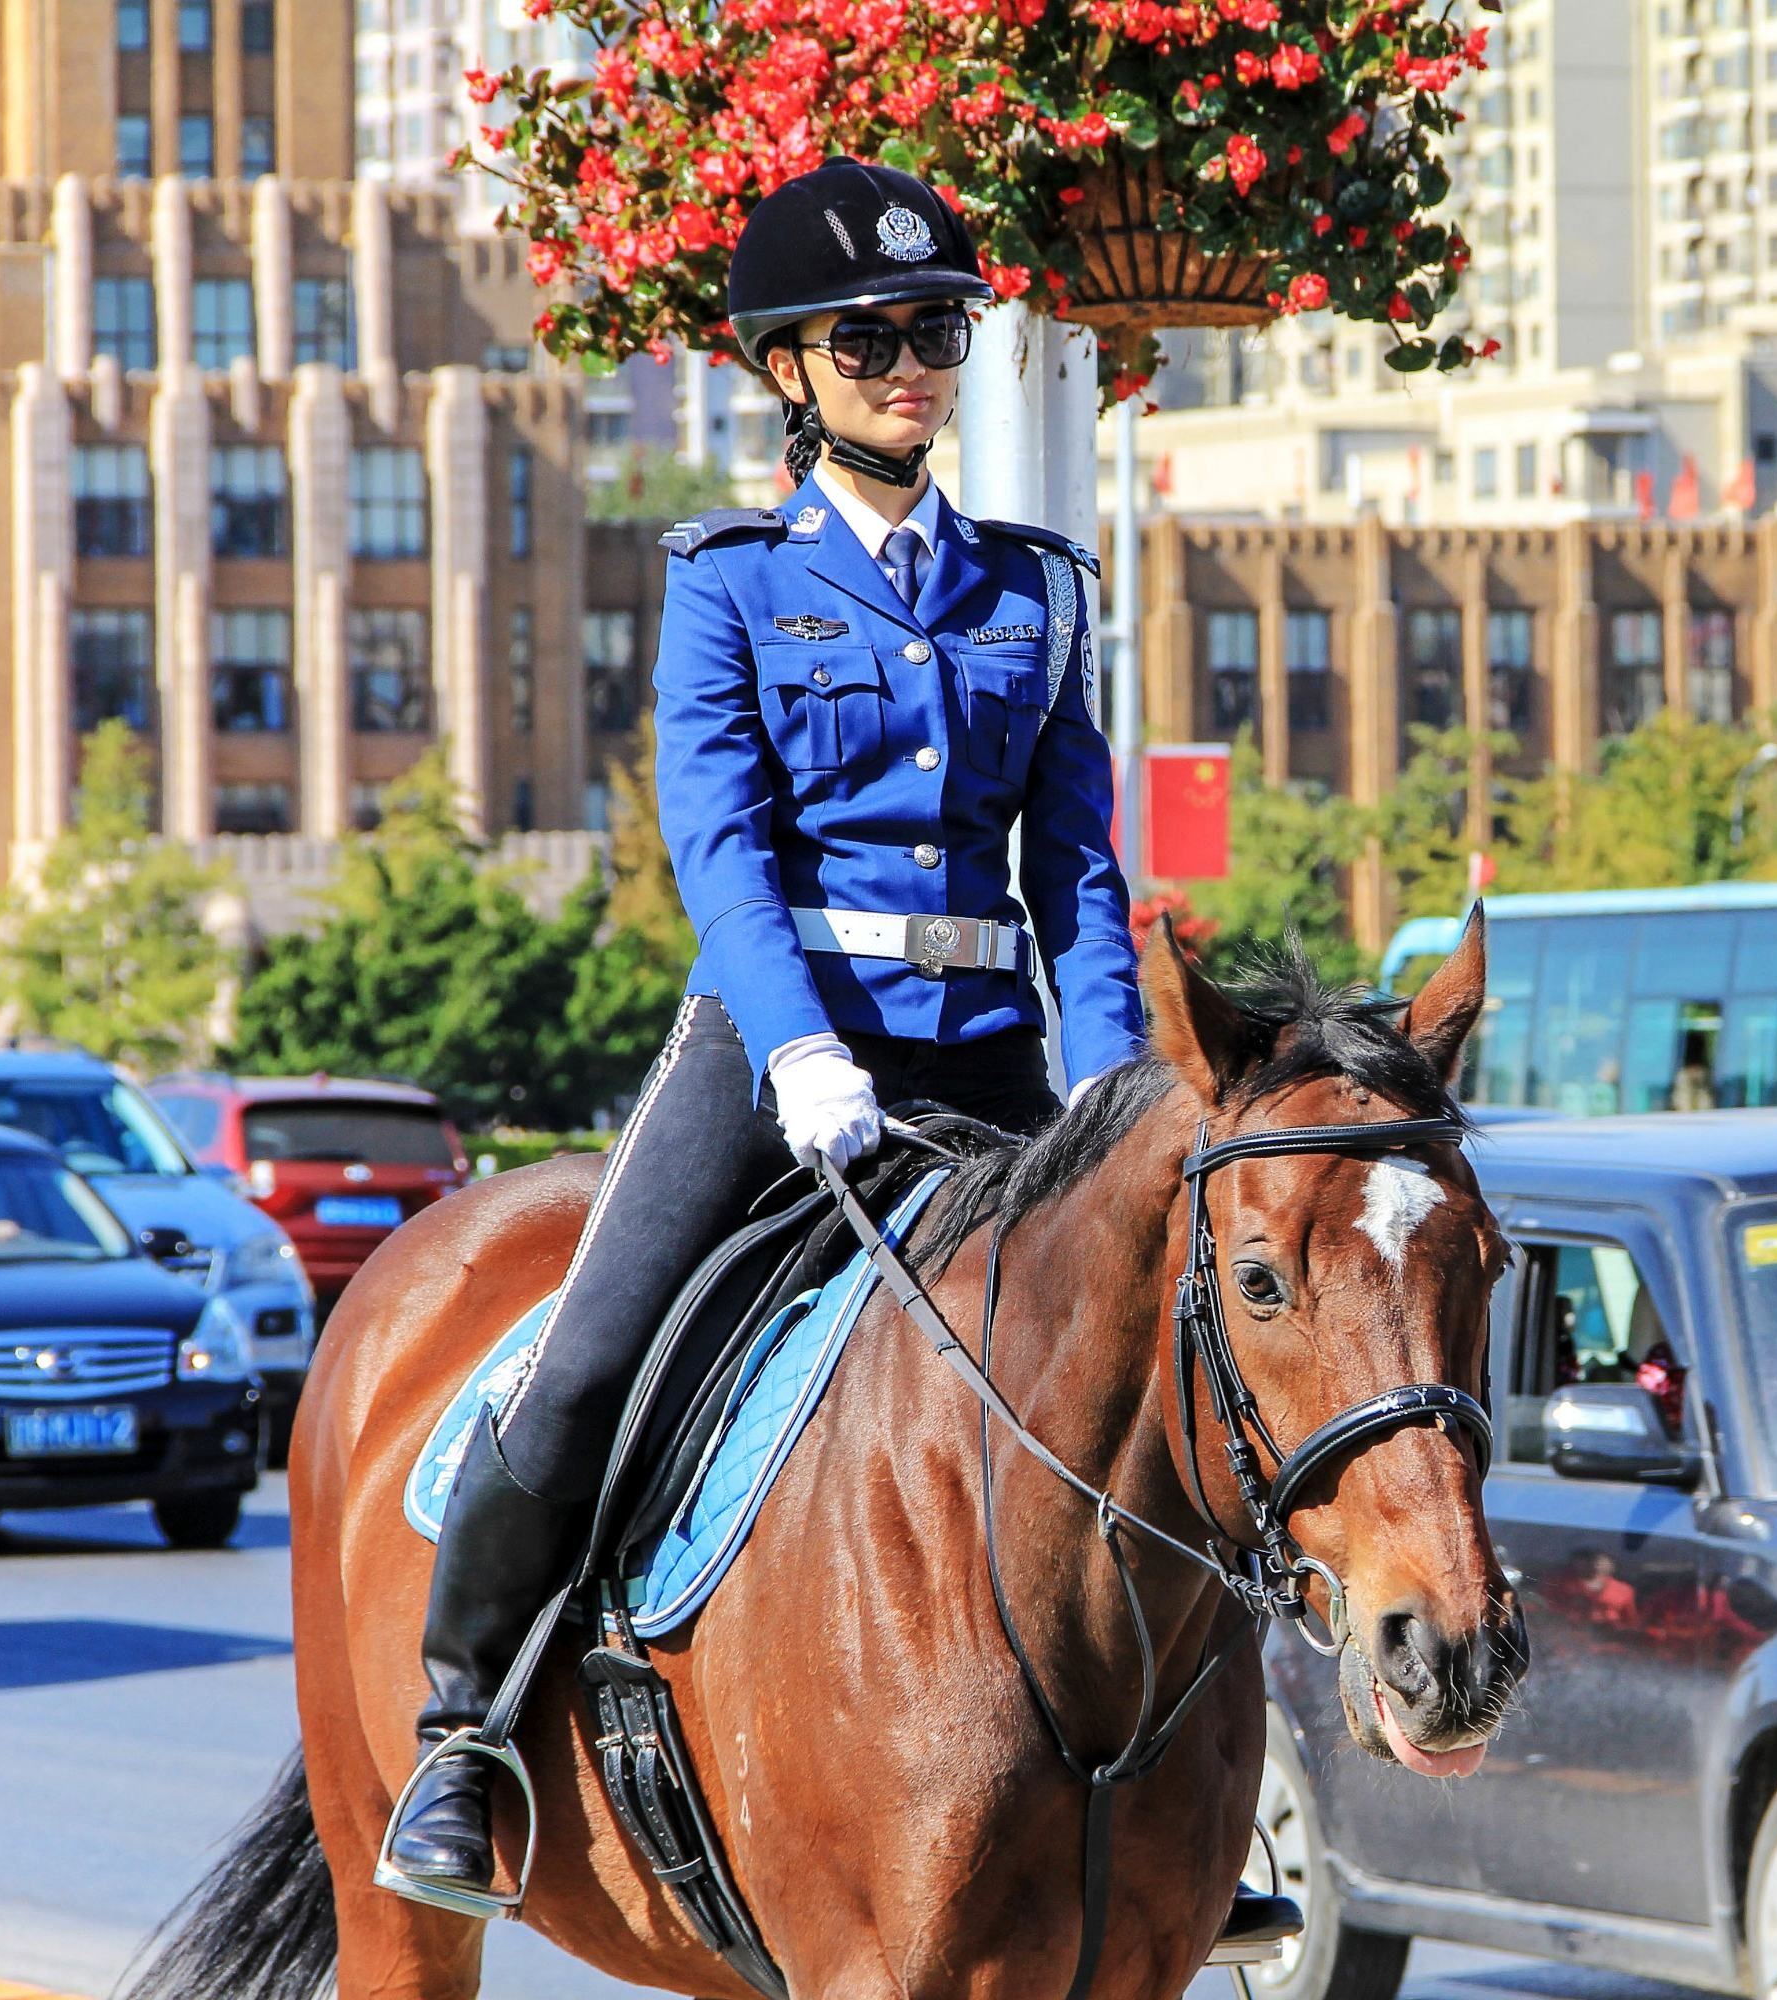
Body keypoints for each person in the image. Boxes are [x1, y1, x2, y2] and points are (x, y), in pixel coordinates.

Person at [377, 159, 1195, 1918]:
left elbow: (1081, 866)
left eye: (941, 332)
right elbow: (724, 846)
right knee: (590, 1353)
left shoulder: (1035, 594)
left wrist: (1118, 1088)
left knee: (1151, 1385)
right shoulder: (731, 586)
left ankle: (1189, 1798)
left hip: (988, 1066)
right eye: (874, 337)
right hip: (776, 1051)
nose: (916, 365)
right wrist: (805, 1050)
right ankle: (465, 1735)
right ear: (790, 371)